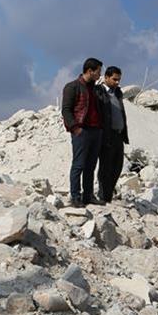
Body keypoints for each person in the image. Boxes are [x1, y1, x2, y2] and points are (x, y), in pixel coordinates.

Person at [62, 57, 104, 207]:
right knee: (79, 165)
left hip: (96, 131)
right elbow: (66, 110)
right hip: (82, 131)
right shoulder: (72, 87)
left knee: (90, 166)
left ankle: (88, 195)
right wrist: (75, 129)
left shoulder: (96, 89)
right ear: (90, 71)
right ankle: (75, 197)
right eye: (98, 71)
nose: (100, 75)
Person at [97, 66, 129, 203]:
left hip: (119, 135)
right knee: (106, 167)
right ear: (106, 77)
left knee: (117, 166)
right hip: (106, 135)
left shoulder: (118, 93)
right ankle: (104, 196)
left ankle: (108, 195)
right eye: (114, 79)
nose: (117, 82)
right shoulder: (99, 92)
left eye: (119, 80)